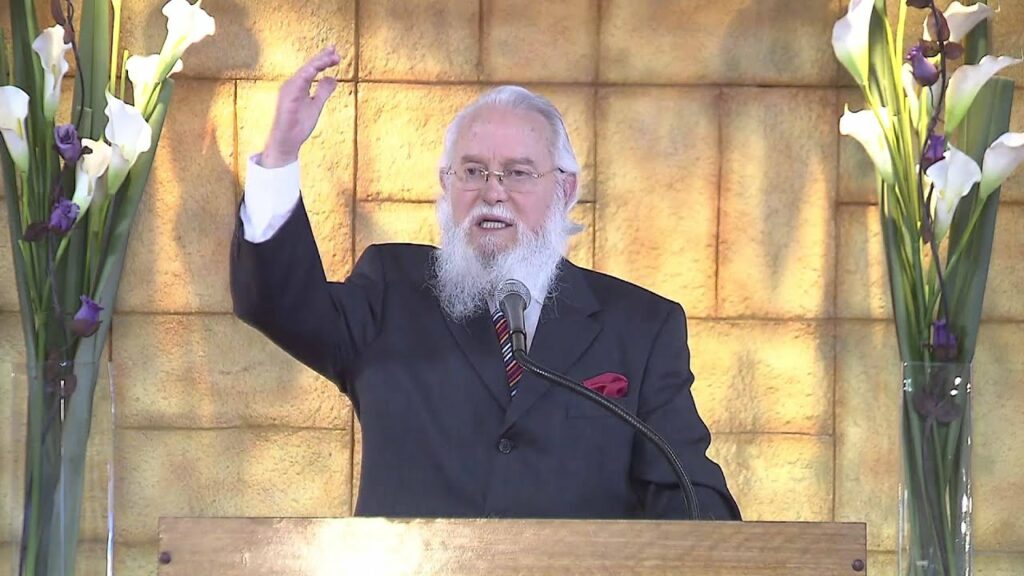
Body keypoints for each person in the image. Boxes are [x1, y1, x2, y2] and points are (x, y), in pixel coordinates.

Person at [231, 46, 740, 521]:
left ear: (565, 190)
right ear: (446, 185)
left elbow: (689, 493)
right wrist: (280, 155)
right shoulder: (392, 289)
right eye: (473, 171)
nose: (493, 193)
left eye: (518, 173)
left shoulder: (640, 326)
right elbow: (278, 303)